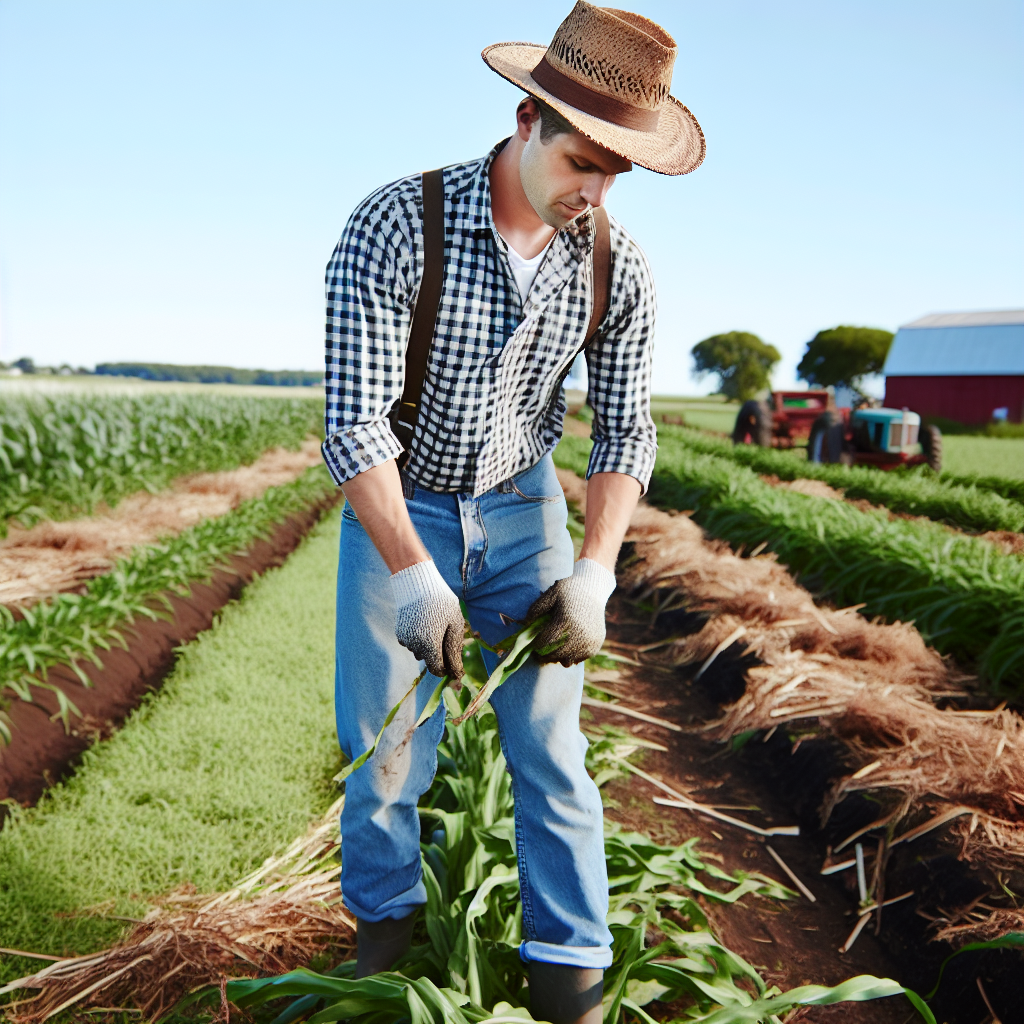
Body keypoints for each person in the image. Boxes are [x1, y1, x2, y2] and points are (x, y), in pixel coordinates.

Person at [321, 3, 704, 1021]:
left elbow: (624, 433)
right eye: (584, 159)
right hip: (403, 502)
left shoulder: (618, 270)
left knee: (553, 753)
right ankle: (383, 957)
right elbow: (354, 424)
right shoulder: (396, 223)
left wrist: (594, 572)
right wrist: (410, 569)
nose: (596, 189)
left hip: (524, 504)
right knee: (388, 751)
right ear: (527, 117)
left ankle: (567, 980)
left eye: (617, 173)